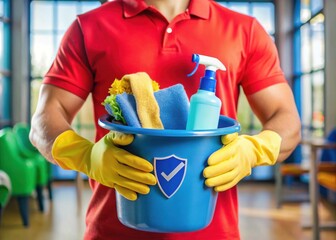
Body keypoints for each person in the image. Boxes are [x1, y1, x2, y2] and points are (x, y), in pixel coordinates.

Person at [29, 0, 301, 239]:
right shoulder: (89, 28)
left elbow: (287, 120)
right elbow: (44, 121)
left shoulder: (244, 31)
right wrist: (87, 157)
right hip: (113, 232)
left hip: (214, 234)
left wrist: (253, 151)